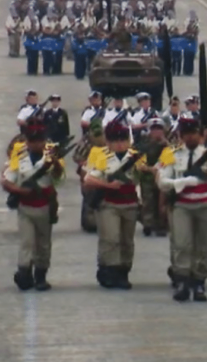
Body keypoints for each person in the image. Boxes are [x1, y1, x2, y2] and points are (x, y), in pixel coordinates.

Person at [157, 118, 207, 302]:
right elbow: (162, 180)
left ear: (200, 134)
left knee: (202, 245)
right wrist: (179, 182)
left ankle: (199, 280)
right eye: (186, 133)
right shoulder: (171, 153)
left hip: (203, 203)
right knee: (182, 243)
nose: (190, 137)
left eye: (194, 133)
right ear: (181, 135)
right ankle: (182, 280)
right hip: (181, 204)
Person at [1, 118, 66, 291]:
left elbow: (59, 179)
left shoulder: (51, 155)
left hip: (45, 206)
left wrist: (54, 164)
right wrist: (22, 192)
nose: (36, 144)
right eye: (32, 140)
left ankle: (41, 275)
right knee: (26, 242)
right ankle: (24, 272)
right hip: (26, 207)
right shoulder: (20, 156)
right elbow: (7, 180)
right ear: (27, 141)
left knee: (44, 243)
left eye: (39, 140)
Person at [83, 122, 145, 289]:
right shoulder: (103, 157)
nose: (120, 144)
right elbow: (89, 179)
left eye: (123, 139)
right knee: (110, 238)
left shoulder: (135, 157)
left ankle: (124, 270)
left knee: (127, 240)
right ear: (108, 142)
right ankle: (109, 269)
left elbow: (144, 176)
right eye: (115, 140)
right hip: (109, 204)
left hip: (130, 203)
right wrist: (108, 186)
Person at [137, 119, 169, 236]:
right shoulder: (144, 145)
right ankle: (148, 223)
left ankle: (162, 224)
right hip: (148, 177)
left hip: (164, 175)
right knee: (148, 200)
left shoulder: (168, 145)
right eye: (154, 129)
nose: (157, 132)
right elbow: (140, 163)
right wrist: (151, 170)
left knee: (163, 202)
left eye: (159, 129)